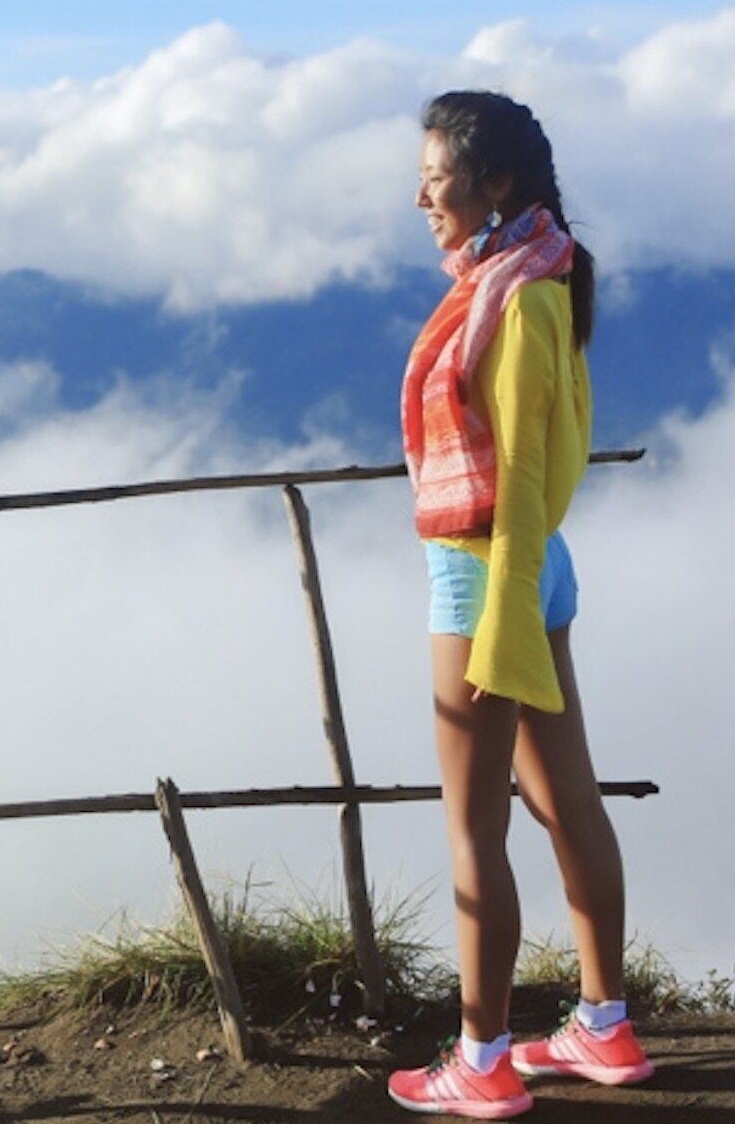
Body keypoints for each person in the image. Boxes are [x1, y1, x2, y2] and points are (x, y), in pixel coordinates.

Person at [386, 91, 654, 1119]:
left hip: (486, 570)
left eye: (438, 177)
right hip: (536, 560)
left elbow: (522, 466)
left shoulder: (519, 296)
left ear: (494, 183)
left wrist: (498, 608)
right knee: (565, 795)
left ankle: (483, 1057)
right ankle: (601, 1025)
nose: (421, 197)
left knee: (474, 827)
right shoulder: (535, 275)